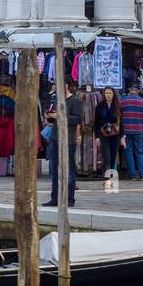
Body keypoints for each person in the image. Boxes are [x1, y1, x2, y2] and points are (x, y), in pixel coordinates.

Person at [44, 79, 82, 207]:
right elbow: (52, 120)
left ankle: (70, 199)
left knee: (69, 171)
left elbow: (76, 119)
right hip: (55, 138)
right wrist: (49, 116)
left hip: (68, 140)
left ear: (66, 85)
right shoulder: (56, 100)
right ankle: (55, 198)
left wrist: (59, 115)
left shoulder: (75, 101)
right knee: (54, 170)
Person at [119, 84, 143, 180]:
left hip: (126, 130)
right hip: (138, 130)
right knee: (139, 152)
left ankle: (132, 175)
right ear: (138, 91)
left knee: (128, 152)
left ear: (129, 90)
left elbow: (119, 115)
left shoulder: (123, 101)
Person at [95, 86, 122, 177]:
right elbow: (96, 122)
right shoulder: (100, 106)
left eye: (110, 93)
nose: (108, 95)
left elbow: (121, 122)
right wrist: (97, 137)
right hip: (103, 134)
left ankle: (109, 172)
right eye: (106, 93)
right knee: (106, 156)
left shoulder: (118, 106)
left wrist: (123, 136)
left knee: (113, 155)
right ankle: (107, 174)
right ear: (104, 94)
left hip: (115, 134)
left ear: (113, 94)